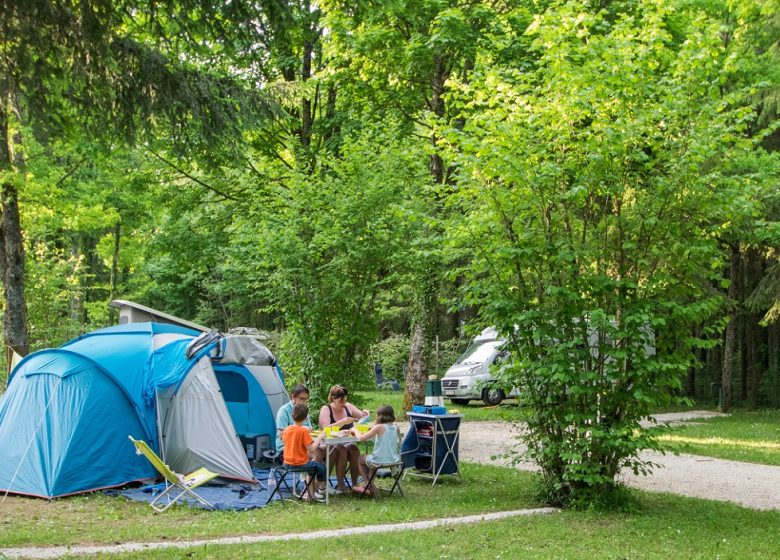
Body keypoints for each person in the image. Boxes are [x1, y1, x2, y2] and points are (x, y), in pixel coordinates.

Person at [318, 384, 369, 493]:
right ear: (333, 398)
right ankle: (341, 484)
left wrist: (365, 413)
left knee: (354, 449)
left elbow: (362, 417)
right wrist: (343, 422)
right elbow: (325, 428)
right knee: (341, 450)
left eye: (345, 400)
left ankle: (354, 484)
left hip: (344, 441)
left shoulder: (348, 407)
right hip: (328, 443)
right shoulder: (326, 409)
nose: (343, 403)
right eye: (341, 401)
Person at [349, 404, 400, 498]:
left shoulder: (379, 427)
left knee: (360, 459)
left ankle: (369, 484)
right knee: (371, 458)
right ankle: (369, 484)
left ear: (380, 416)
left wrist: (355, 430)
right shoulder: (396, 427)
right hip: (394, 460)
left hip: (379, 461)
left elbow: (361, 438)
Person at [281, 403, 327, 501]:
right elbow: (312, 448)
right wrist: (319, 437)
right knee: (322, 468)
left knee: (312, 466)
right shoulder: (303, 432)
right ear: (306, 418)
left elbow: (286, 440)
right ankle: (313, 493)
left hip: (286, 463)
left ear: (292, 416)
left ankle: (310, 494)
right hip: (299, 464)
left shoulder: (287, 429)